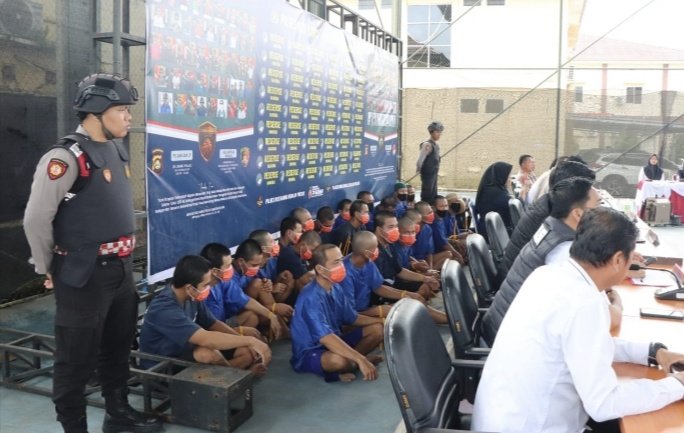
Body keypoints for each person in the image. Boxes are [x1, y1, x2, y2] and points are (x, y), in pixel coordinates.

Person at [23, 73, 162, 433]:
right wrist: (47, 266)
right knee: (75, 360)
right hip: (84, 274)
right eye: (121, 110)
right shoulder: (65, 157)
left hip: (120, 270)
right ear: (96, 112)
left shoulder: (115, 149)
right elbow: (36, 219)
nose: (129, 117)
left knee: (117, 348)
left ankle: (118, 416)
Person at [472, 207, 684, 433]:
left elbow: (589, 344)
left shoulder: (547, 275)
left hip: (505, 419)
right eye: (631, 257)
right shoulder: (584, 302)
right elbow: (604, 403)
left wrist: (653, 352)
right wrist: (676, 385)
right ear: (618, 259)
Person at [480, 177, 605, 345]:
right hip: (512, 340)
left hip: (502, 324)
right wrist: (617, 303)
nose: (604, 211)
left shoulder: (552, 225)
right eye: (599, 204)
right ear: (578, 214)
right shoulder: (562, 252)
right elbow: (599, 318)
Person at [139, 256, 271, 376]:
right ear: (189, 287)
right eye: (206, 285)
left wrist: (243, 341)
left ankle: (230, 376)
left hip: (186, 351)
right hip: (163, 365)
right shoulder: (164, 309)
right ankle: (235, 378)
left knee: (245, 352)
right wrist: (250, 341)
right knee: (206, 353)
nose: (209, 287)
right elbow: (206, 339)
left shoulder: (191, 296)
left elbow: (213, 324)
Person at [290, 244, 384, 382]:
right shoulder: (310, 297)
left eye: (341, 260)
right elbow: (325, 337)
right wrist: (361, 358)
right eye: (336, 263)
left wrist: (383, 321)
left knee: (378, 329)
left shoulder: (335, 287)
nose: (342, 265)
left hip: (335, 338)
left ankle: (353, 363)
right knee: (337, 361)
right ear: (320, 269)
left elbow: (352, 318)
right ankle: (354, 364)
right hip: (311, 350)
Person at [502, 159, 595, 270]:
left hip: (515, 271)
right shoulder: (551, 216)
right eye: (589, 190)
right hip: (521, 277)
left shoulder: (547, 202)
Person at [199, 243, 282, 340]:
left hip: (223, 323)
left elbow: (246, 301)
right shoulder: (200, 292)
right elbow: (210, 328)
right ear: (215, 271)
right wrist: (239, 332)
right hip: (210, 334)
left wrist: (271, 315)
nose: (231, 268)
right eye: (228, 266)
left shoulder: (223, 282)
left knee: (252, 317)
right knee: (250, 344)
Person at [373, 211, 441, 302]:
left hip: (393, 284)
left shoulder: (390, 245)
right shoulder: (373, 251)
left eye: (396, 226)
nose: (395, 230)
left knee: (425, 287)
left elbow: (400, 271)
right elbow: (378, 287)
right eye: (391, 227)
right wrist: (405, 295)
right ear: (379, 230)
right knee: (417, 299)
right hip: (381, 293)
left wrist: (426, 278)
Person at [276, 217, 317, 299]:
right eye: (299, 232)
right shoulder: (285, 252)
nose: (301, 235)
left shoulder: (295, 249)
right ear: (289, 233)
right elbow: (304, 278)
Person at [474, 161, 513, 239]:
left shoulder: (492, 188)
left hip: (493, 228)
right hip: (492, 232)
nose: (510, 180)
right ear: (501, 176)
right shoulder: (493, 192)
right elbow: (510, 206)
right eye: (509, 177)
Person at [431, 195, 465, 265]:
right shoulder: (435, 222)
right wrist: (457, 254)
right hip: (437, 251)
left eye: (446, 206)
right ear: (434, 208)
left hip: (444, 245)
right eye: (441, 206)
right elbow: (443, 243)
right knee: (452, 255)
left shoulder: (440, 219)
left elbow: (446, 238)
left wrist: (453, 240)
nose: (444, 209)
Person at [416, 121, 443, 204]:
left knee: (433, 193)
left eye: (440, 132)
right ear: (432, 132)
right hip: (427, 174)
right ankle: (424, 206)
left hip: (434, 173)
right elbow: (421, 159)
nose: (439, 134)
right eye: (437, 132)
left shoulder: (436, 146)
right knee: (427, 193)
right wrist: (418, 169)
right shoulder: (427, 144)